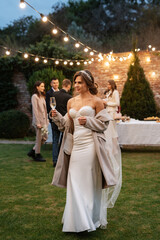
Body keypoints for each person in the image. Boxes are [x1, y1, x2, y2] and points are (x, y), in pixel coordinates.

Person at [50, 70, 122, 232]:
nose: (76, 85)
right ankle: (77, 220)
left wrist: (89, 121)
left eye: (80, 82)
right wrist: (56, 117)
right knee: (74, 180)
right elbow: (65, 126)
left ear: (88, 84)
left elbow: (104, 125)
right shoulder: (71, 102)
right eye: (75, 82)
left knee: (88, 182)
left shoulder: (97, 102)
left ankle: (90, 218)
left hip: (91, 146)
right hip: (75, 146)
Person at [49, 79, 72, 167]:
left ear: (62, 85)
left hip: (55, 120)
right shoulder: (69, 97)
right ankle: (60, 159)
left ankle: (55, 161)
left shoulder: (54, 94)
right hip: (64, 121)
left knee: (55, 140)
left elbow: (51, 108)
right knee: (63, 140)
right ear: (69, 86)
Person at [27, 81, 49, 162]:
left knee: (45, 137)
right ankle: (37, 154)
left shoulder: (42, 97)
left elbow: (45, 110)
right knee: (39, 138)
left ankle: (33, 151)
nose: (43, 88)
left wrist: (47, 120)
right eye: (42, 86)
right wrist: (37, 122)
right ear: (37, 87)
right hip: (39, 121)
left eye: (43, 86)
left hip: (44, 121)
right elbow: (35, 110)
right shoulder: (34, 96)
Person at [46, 78, 60, 167]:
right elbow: (48, 107)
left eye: (57, 83)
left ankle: (60, 159)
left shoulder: (60, 92)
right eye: (54, 83)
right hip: (54, 118)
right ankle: (55, 160)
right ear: (51, 84)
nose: (56, 84)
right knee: (55, 139)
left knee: (62, 139)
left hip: (61, 118)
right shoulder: (49, 94)